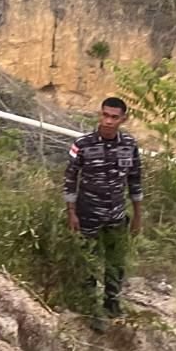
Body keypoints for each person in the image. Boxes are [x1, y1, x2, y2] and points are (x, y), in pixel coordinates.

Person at [63, 97, 143, 318]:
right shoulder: (83, 144)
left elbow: (135, 180)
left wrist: (138, 216)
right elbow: (70, 179)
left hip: (116, 215)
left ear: (123, 119)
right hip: (87, 214)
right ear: (100, 115)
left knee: (115, 262)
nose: (108, 121)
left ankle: (112, 304)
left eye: (114, 117)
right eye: (105, 115)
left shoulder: (129, 145)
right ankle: (90, 307)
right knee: (87, 261)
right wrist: (71, 213)